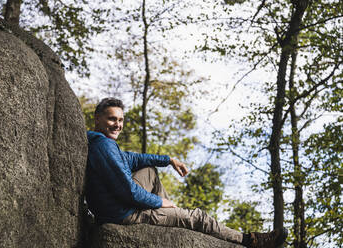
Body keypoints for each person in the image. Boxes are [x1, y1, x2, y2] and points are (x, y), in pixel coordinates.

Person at [85, 97, 288, 248]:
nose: (118, 125)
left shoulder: (103, 144)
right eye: (112, 119)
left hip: (113, 207)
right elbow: (128, 191)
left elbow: (133, 159)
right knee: (197, 217)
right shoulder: (104, 145)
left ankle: (172, 215)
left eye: (120, 120)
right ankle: (249, 240)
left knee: (148, 170)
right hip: (123, 213)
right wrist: (160, 202)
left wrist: (168, 160)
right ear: (97, 119)